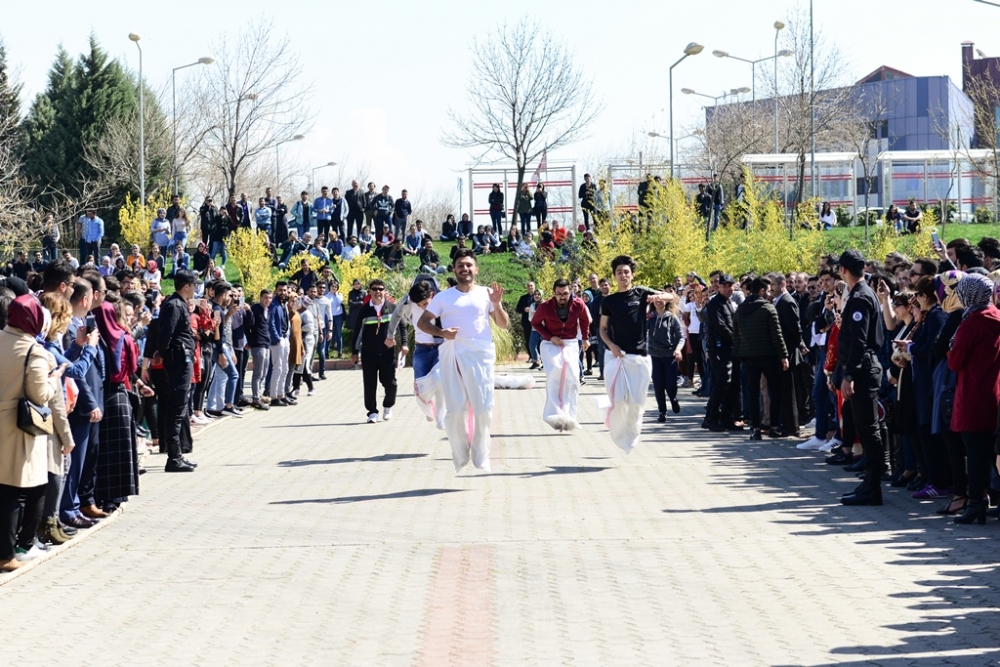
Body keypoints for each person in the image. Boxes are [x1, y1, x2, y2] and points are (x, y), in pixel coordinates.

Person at [418, 250, 508, 472]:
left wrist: (497, 304)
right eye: (460, 265)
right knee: (456, 410)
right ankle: (460, 455)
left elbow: (503, 324)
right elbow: (423, 322)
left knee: (484, 408)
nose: (464, 269)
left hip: (480, 356)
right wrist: (442, 332)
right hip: (453, 354)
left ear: (475, 269)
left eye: (468, 265)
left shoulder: (487, 294)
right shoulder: (443, 297)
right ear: (454, 269)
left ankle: (481, 454)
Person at [0, 296, 65, 571]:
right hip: (19, 428)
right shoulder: (35, 351)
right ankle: (9, 553)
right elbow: (39, 394)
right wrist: (53, 380)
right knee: (21, 490)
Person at [599, 255, 673, 453]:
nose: (623, 275)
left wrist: (657, 297)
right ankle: (617, 431)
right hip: (617, 357)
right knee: (619, 399)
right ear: (614, 276)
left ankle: (631, 434)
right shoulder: (610, 301)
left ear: (632, 275)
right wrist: (611, 346)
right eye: (619, 272)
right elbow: (602, 330)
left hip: (639, 357)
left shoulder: (641, 293)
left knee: (636, 403)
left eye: (626, 272)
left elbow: (670, 297)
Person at [947, 274, 1000, 524]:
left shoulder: (971, 323)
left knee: (976, 455)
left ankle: (976, 504)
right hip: (995, 393)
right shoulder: (997, 318)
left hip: (974, 394)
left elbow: (955, 361)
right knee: (994, 454)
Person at [836, 250, 886, 506]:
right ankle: (869, 484)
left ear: (844, 270)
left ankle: (872, 488)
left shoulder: (860, 297)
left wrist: (850, 374)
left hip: (863, 370)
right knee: (868, 430)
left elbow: (858, 340)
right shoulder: (864, 294)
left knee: (869, 431)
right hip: (865, 367)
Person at [733, 276, 789, 440]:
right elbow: (777, 336)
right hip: (769, 356)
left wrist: (740, 351)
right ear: (762, 290)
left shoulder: (740, 309)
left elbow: (735, 334)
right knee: (774, 391)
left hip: (749, 357)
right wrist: (784, 355)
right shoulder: (768, 309)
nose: (770, 293)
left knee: (753, 392)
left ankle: (756, 429)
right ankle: (773, 427)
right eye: (768, 290)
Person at [532, 278, 591, 431]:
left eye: (565, 293)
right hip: (550, 343)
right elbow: (535, 323)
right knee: (555, 373)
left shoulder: (578, 304)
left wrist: (585, 337)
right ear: (554, 294)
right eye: (559, 294)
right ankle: (554, 415)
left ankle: (570, 416)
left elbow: (585, 320)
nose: (562, 297)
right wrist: (550, 336)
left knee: (572, 375)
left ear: (570, 292)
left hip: (570, 342)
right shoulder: (545, 307)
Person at [386, 276, 445, 428]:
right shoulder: (408, 302)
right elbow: (396, 316)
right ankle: (429, 411)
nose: (424, 307)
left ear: (431, 295)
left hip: (441, 348)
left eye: (426, 304)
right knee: (420, 389)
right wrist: (390, 336)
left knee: (439, 380)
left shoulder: (441, 299)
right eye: (420, 305)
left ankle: (441, 417)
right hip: (421, 349)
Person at [351, 279, 398, 422]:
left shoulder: (392, 307)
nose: (378, 292)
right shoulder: (364, 310)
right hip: (369, 353)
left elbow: (400, 325)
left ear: (385, 291)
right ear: (370, 291)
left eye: (380, 289)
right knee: (370, 384)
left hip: (387, 353)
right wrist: (355, 352)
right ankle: (372, 412)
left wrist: (404, 344)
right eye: (375, 289)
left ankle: (388, 406)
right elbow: (358, 332)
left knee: (390, 383)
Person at [703, 274, 741, 432]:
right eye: (724, 285)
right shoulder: (715, 304)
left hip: (731, 350)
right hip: (719, 349)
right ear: (719, 287)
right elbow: (721, 327)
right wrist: (735, 341)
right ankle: (710, 418)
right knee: (722, 382)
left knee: (732, 385)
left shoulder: (729, 303)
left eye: (730, 285)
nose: (728, 288)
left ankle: (726, 418)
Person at [647, 285, 685, 422]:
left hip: (669, 356)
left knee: (670, 385)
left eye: (662, 298)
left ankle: (673, 399)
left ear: (666, 300)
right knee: (658, 385)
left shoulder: (672, 318)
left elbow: (681, 337)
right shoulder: (649, 317)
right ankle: (662, 412)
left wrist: (678, 349)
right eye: (656, 298)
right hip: (654, 356)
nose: (659, 300)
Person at [267, 282, 293, 406]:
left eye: (284, 290)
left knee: (285, 368)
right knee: (277, 368)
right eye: (280, 290)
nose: (283, 293)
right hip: (277, 340)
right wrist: (276, 338)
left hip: (284, 337)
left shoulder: (283, 304)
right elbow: (270, 323)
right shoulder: (273, 304)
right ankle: (273, 396)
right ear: (276, 291)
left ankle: (281, 394)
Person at [246, 289, 272, 410]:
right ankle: (256, 399)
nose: (268, 300)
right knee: (258, 373)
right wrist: (250, 341)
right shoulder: (255, 309)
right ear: (260, 298)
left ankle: (259, 396)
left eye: (270, 298)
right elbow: (248, 325)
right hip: (258, 344)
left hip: (266, 343)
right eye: (265, 297)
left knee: (264, 373)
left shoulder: (267, 310)